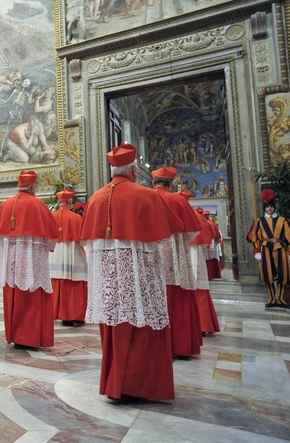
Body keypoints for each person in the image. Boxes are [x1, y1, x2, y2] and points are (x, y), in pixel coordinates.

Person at [79, 143, 183, 402]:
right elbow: (168, 233)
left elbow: (86, 242)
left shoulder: (95, 198)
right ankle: (140, 386)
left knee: (115, 325)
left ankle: (115, 384)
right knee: (142, 324)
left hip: (109, 283)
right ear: (134, 170)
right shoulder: (146, 195)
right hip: (139, 278)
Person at [0, 170, 59, 350]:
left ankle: (15, 335)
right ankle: (30, 337)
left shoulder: (5, 205)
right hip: (31, 260)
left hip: (10, 263)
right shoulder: (37, 204)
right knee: (31, 290)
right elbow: (52, 234)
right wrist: (49, 246)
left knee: (13, 290)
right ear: (33, 187)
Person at [151, 167, 204, 359]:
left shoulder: (146, 197)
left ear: (153, 182)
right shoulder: (178, 200)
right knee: (178, 294)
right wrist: (179, 240)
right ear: (171, 184)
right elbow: (194, 231)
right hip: (174, 253)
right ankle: (180, 346)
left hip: (150, 253)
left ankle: (155, 347)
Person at [247, 189, 290, 308]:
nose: (269, 208)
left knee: (282, 274)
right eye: (267, 206)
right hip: (265, 250)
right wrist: (256, 252)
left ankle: (281, 299)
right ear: (264, 208)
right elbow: (254, 239)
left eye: (271, 206)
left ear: (274, 207)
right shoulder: (258, 221)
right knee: (267, 275)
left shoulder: (284, 221)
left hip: (281, 249)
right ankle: (272, 299)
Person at [49, 188, 88, 327]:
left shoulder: (51, 217)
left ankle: (60, 314)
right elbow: (84, 241)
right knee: (75, 282)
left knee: (57, 282)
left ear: (59, 202)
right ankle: (76, 316)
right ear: (70, 202)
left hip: (55, 256)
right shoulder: (77, 218)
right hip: (74, 255)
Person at [188, 206, 221, 335]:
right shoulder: (200, 219)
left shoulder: (193, 216)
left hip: (191, 251)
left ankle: (201, 324)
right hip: (196, 250)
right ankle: (203, 324)